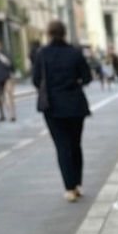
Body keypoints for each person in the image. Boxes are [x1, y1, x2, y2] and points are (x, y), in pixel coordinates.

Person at [32, 20, 93, 202]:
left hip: (52, 106)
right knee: (75, 144)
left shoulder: (42, 54)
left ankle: (69, 187)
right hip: (75, 104)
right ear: (64, 33)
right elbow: (87, 77)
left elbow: (36, 80)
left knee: (62, 146)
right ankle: (78, 183)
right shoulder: (75, 53)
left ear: (49, 34)